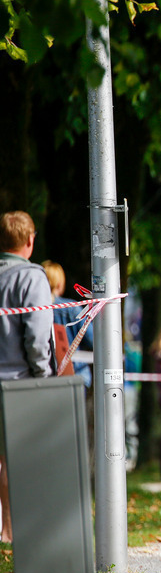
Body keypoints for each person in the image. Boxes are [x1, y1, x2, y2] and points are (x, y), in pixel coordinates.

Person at [0, 210, 53, 542]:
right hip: (16, 382)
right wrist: (43, 375)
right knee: (14, 459)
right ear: (30, 241)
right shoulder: (32, 278)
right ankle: (11, 531)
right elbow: (36, 336)